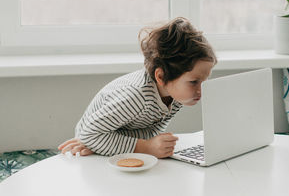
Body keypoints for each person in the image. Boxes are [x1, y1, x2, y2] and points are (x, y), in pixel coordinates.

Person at [58, 17, 217, 158]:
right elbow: (89, 135)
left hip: (109, 140)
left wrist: (147, 144)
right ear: (160, 77)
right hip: (92, 136)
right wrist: (145, 147)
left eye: (205, 81)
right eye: (194, 82)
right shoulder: (137, 97)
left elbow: (149, 129)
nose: (202, 90)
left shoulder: (176, 95)